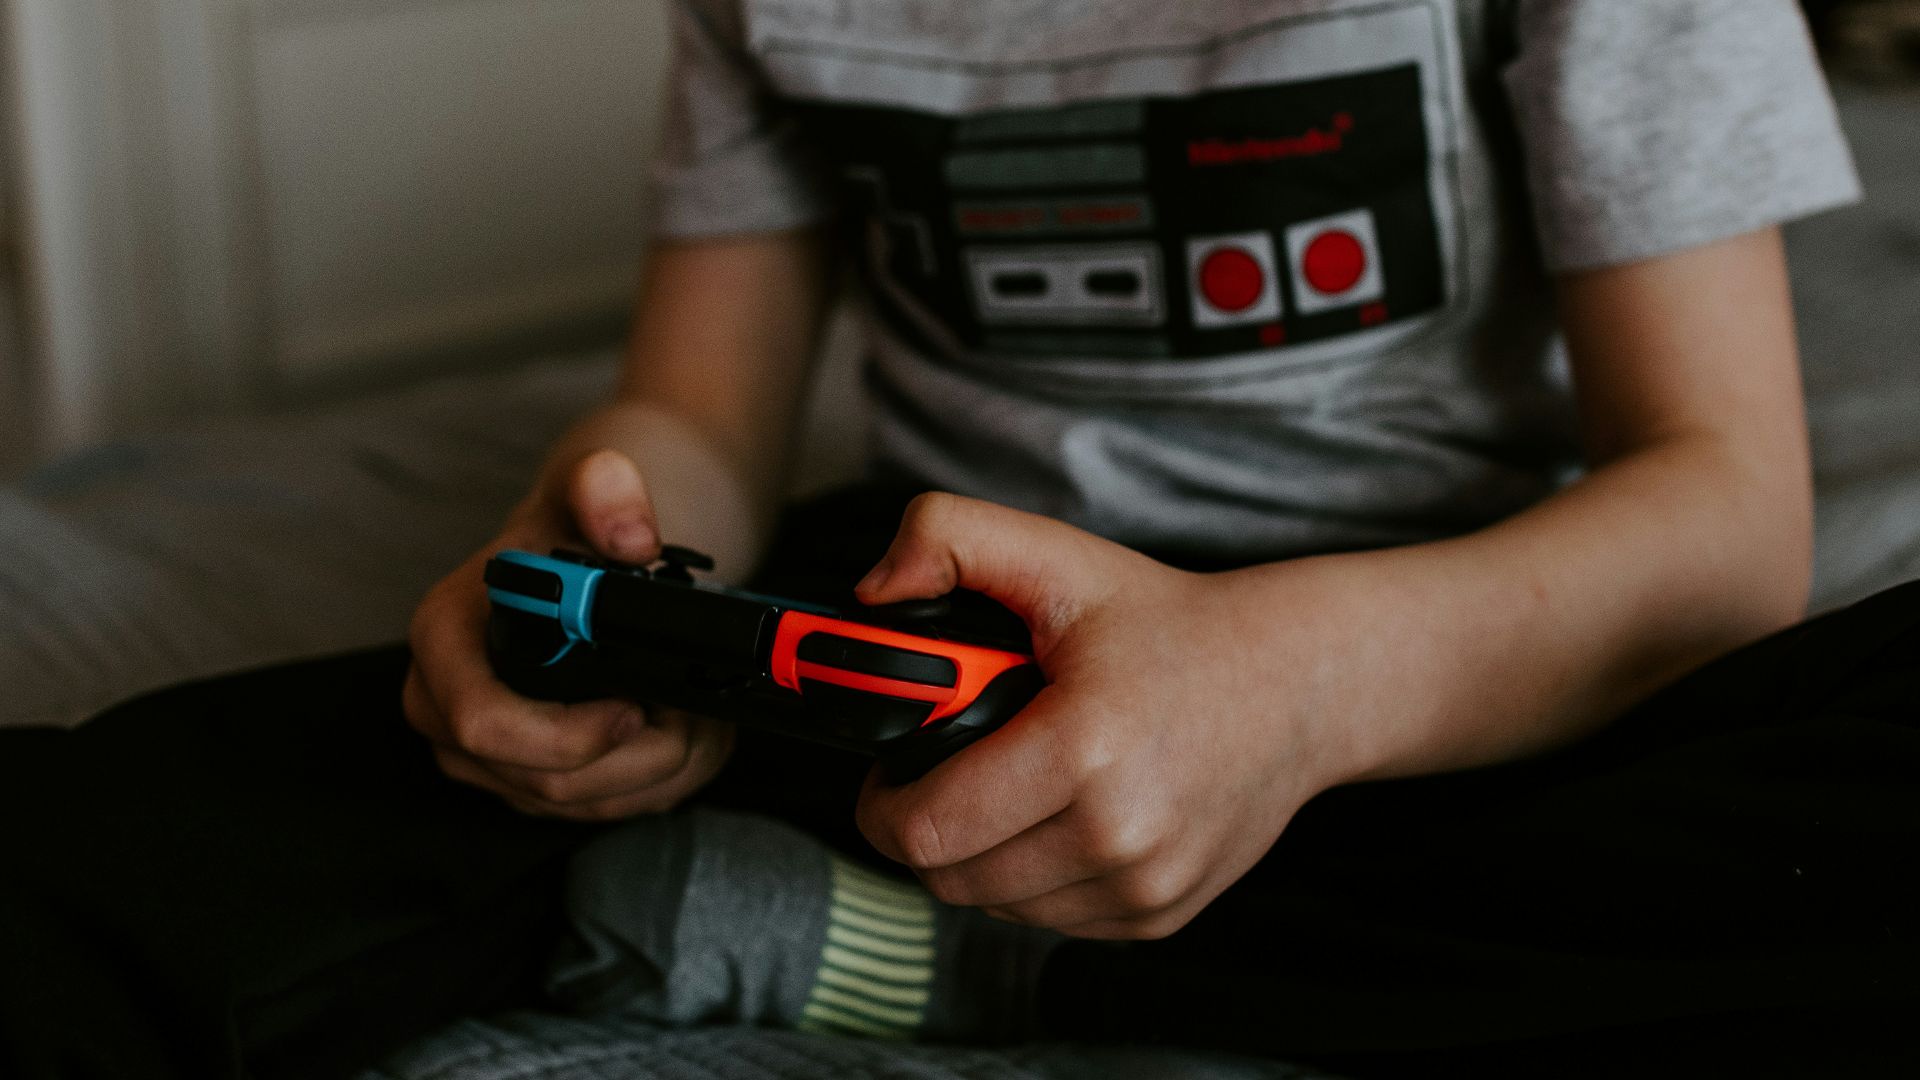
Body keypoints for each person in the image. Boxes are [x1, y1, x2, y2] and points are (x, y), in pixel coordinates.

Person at [5, 1, 1915, 1077]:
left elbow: (1724, 523)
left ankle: (1031, 972)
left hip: (1473, 675)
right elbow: (699, 410)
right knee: (141, 826)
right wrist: (604, 556)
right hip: (926, 666)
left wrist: (1287, 688)